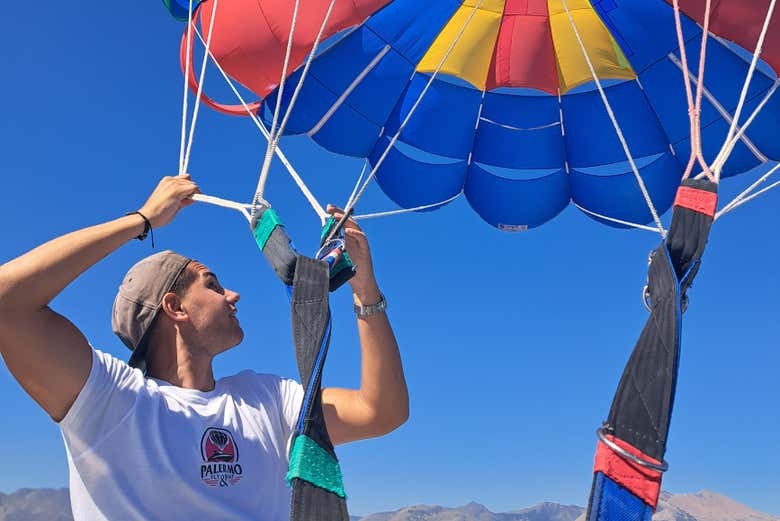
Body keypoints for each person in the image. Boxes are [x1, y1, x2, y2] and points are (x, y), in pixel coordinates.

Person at [0, 174, 409, 520]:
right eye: (212, 285)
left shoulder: (268, 399)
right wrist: (142, 220)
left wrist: (365, 289)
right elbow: (6, 303)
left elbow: (382, 411)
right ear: (175, 307)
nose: (233, 295)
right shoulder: (110, 400)